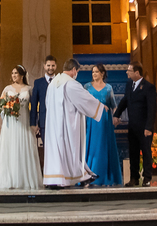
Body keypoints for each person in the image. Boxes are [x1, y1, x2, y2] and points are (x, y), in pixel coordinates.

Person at [42, 59, 108, 189]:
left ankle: (54, 179)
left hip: (52, 125)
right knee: (69, 150)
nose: (76, 73)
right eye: (77, 71)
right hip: (66, 125)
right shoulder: (71, 84)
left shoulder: (52, 84)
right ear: (73, 70)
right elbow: (85, 99)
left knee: (56, 151)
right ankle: (70, 178)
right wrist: (100, 107)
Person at [0, 65, 42, 190]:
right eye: (12, 73)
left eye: (16, 73)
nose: (13, 75)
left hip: (24, 121)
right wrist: (7, 109)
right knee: (11, 148)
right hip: (11, 123)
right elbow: (0, 105)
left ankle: (24, 178)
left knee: (24, 148)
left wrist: (35, 123)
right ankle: (9, 178)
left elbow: (34, 107)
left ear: (22, 75)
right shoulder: (7, 89)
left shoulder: (29, 89)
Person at [114, 62, 157, 187]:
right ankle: (134, 178)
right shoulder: (129, 85)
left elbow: (152, 109)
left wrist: (149, 127)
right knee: (133, 153)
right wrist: (117, 114)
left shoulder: (149, 87)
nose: (127, 72)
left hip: (144, 128)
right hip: (132, 127)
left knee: (146, 152)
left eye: (129, 70)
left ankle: (147, 178)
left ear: (137, 73)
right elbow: (124, 101)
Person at [83, 64, 122, 187]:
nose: (94, 74)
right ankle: (89, 175)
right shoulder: (87, 87)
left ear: (102, 74)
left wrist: (116, 117)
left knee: (104, 147)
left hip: (105, 123)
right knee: (92, 147)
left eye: (96, 72)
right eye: (93, 72)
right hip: (92, 121)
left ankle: (104, 176)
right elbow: (84, 103)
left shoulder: (108, 88)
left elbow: (114, 105)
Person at [29, 55, 57, 145]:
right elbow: (34, 104)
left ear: (56, 66)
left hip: (58, 121)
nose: (50, 68)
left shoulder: (60, 81)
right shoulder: (38, 82)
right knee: (47, 148)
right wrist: (33, 123)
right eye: (48, 65)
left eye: (53, 65)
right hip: (44, 122)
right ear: (44, 66)